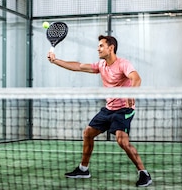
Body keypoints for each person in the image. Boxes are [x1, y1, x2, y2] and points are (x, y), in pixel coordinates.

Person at [47, 35, 152, 187]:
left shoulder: (123, 64)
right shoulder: (101, 65)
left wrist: (131, 93)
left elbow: (136, 78)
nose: (98, 48)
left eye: (101, 46)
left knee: (122, 140)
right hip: (108, 109)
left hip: (124, 109)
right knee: (88, 133)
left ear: (111, 48)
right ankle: (83, 169)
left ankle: (144, 173)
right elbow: (79, 66)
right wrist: (55, 60)